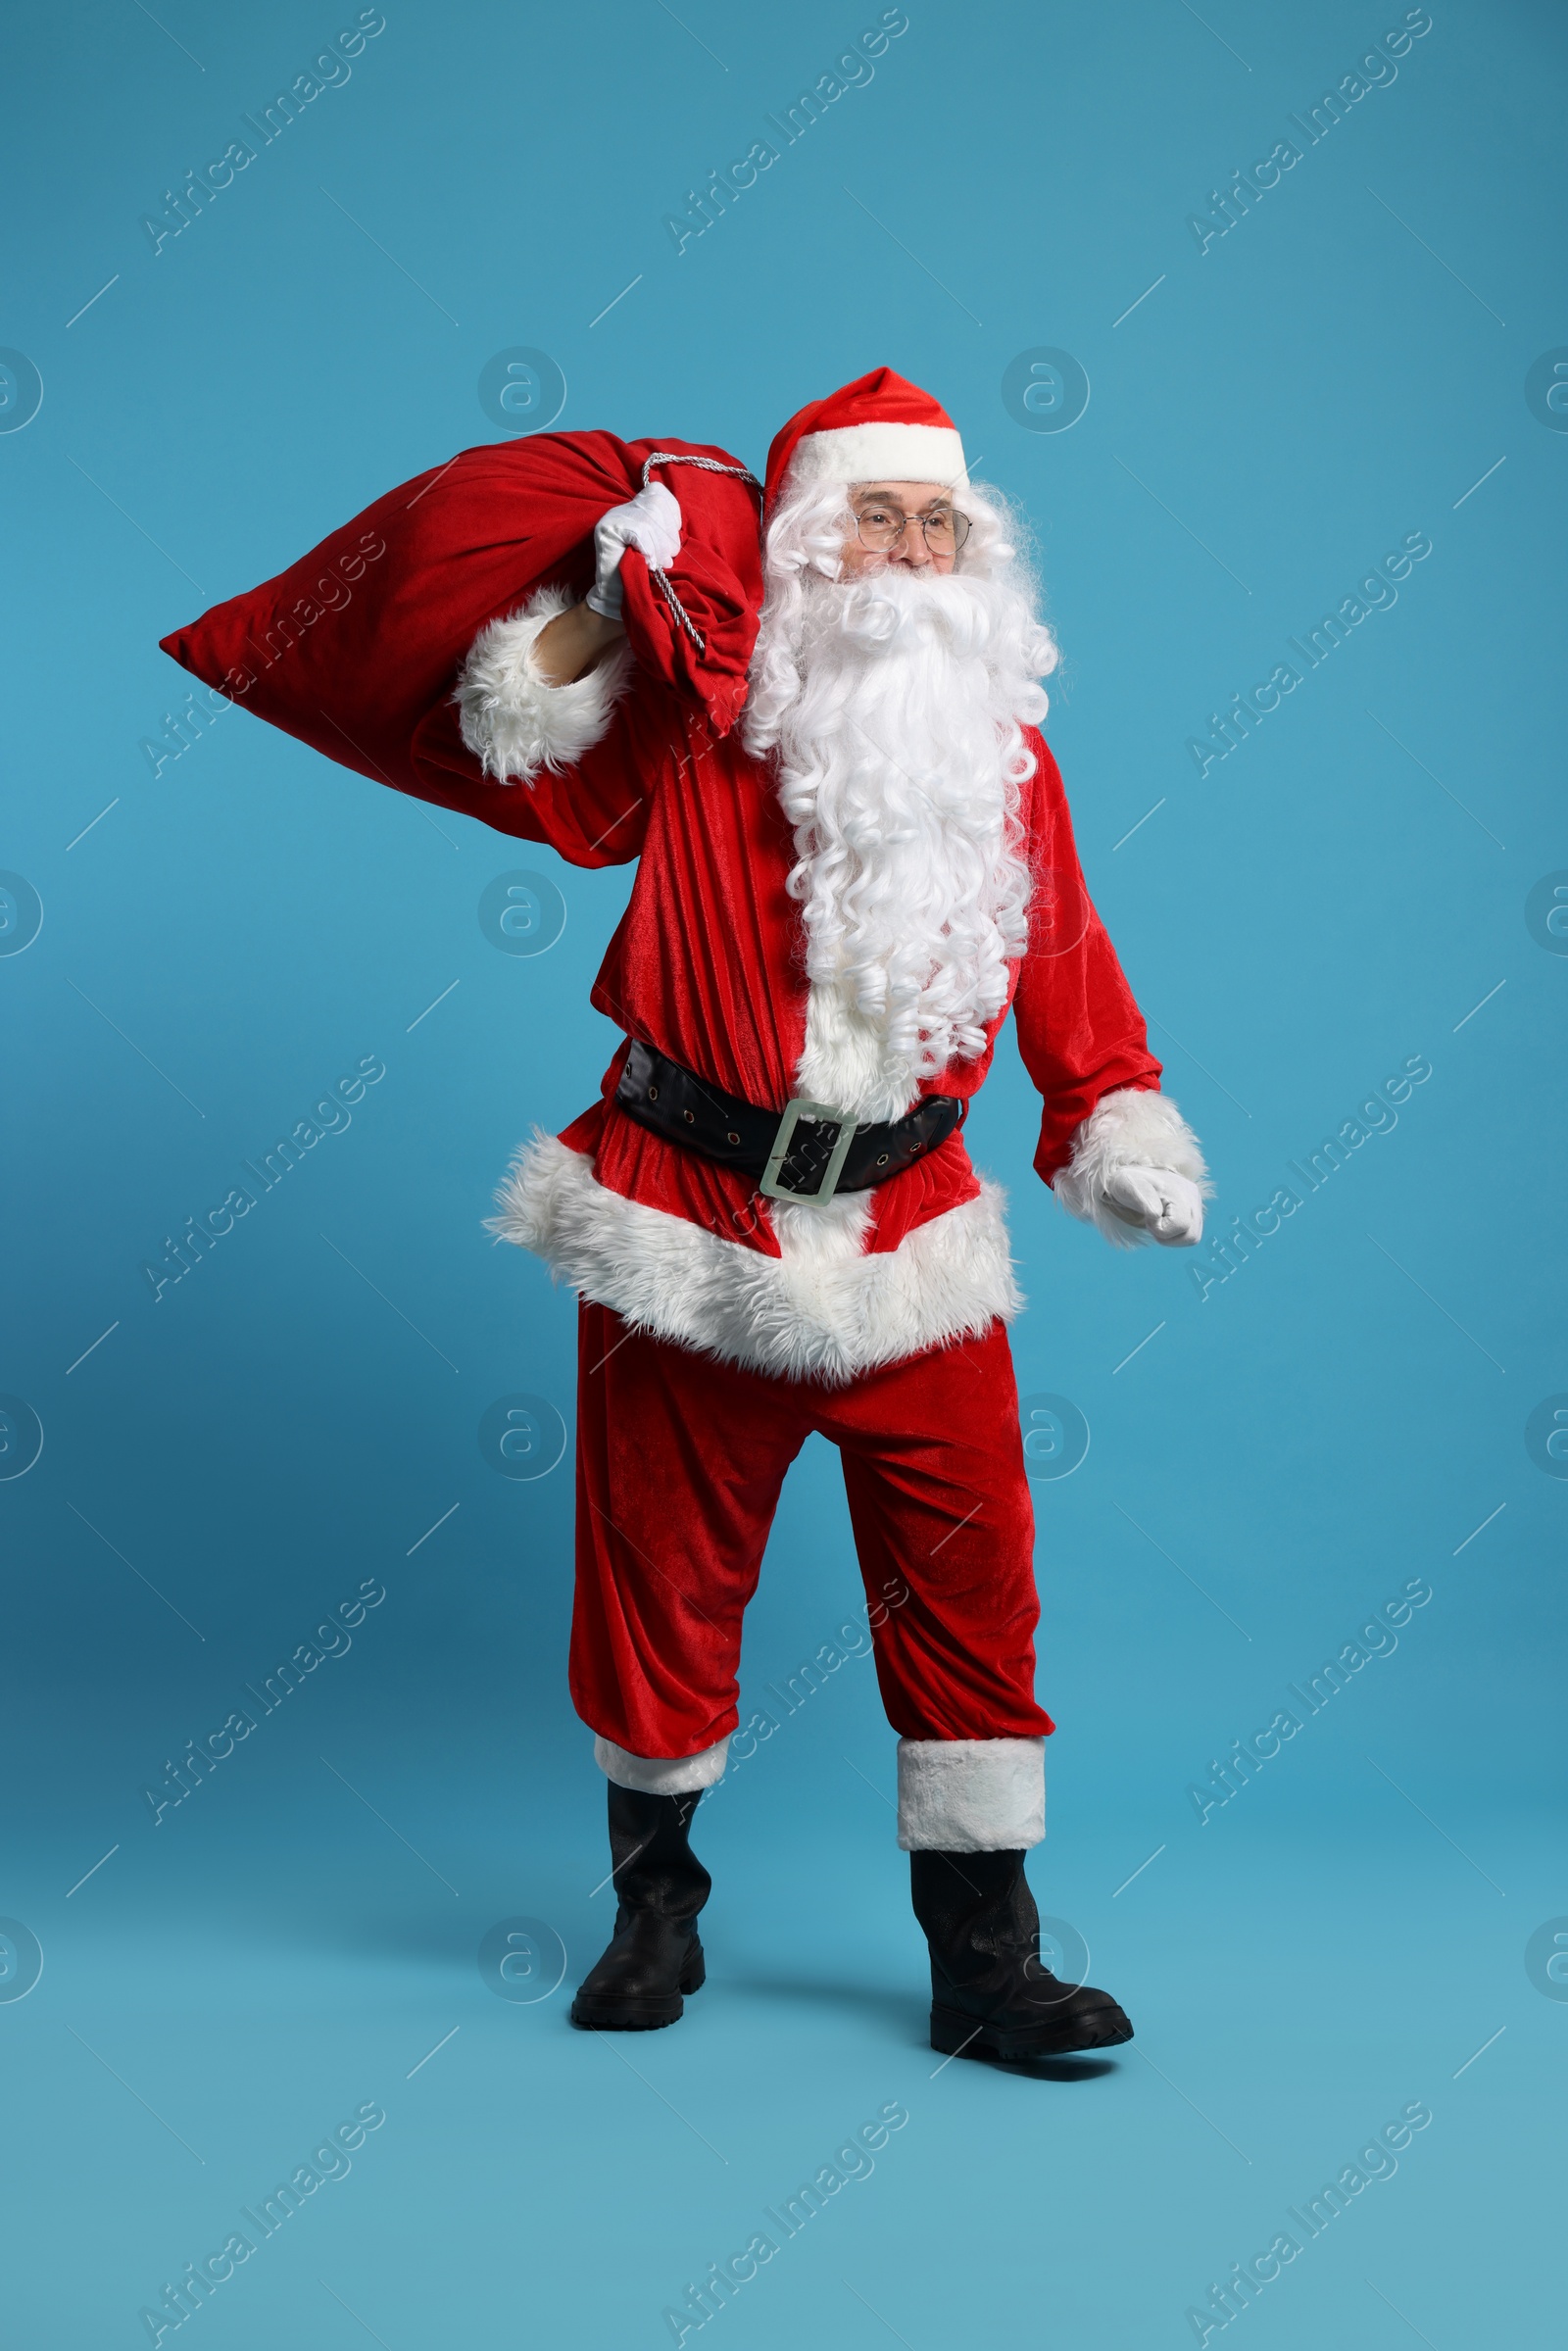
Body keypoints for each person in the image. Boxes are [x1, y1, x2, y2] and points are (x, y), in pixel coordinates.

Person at [454, 369, 1209, 2062]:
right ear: (805, 542)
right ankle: (658, 1909)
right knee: (655, 1571)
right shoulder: (696, 712)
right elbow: (523, 740)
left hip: (912, 1237)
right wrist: (606, 595)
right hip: (685, 1222)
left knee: (973, 1577)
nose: (914, 552)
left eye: (941, 523)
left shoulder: (1007, 764)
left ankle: (984, 1963)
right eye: (880, 515)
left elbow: (1069, 963)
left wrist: (1111, 1117)